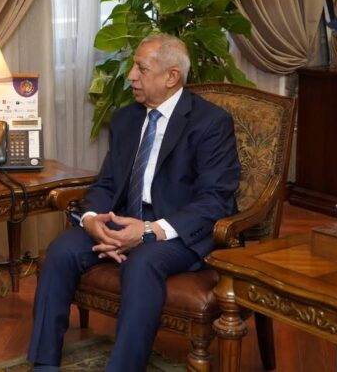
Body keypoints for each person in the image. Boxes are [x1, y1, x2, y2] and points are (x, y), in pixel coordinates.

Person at [28, 34, 240, 371]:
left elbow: (215, 199)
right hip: (123, 219)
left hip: (177, 229)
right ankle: (43, 364)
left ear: (171, 76)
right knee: (62, 250)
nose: (131, 76)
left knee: (142, 263)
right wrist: (93, 220)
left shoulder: (210, 122)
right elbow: (107, 182)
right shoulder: (126, 119)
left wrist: (149, 231)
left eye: (141, 68)